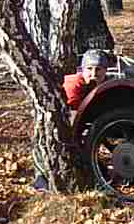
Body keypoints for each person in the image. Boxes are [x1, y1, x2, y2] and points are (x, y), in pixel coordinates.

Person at [30, 49, 109, 192]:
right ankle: (42, 180)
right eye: (89, 69)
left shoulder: (96, 85)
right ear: (82, 69)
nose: (94, 73)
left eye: (99, 69)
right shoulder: (74, 84)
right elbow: (71, 115)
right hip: (55, 127)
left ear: (105, 70)